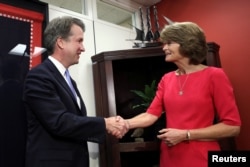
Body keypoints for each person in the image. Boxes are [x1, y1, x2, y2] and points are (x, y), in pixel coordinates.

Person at [124, 22, 241, 167]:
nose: (164, 47)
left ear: (187, 44)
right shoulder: (167, 79)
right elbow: (150, 115)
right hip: (170, 157)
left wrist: (186, 134)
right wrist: (124, 124)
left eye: (169, 43)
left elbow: (232, 126)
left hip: (201, 158)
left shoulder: (214, 76)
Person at [23, 16, 128, 167]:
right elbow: (59, 121)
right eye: (79, 41)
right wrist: (105, 124)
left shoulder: (68, 80)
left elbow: (74, 122)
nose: (83, 48)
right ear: (60, 42)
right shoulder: (39, 76)